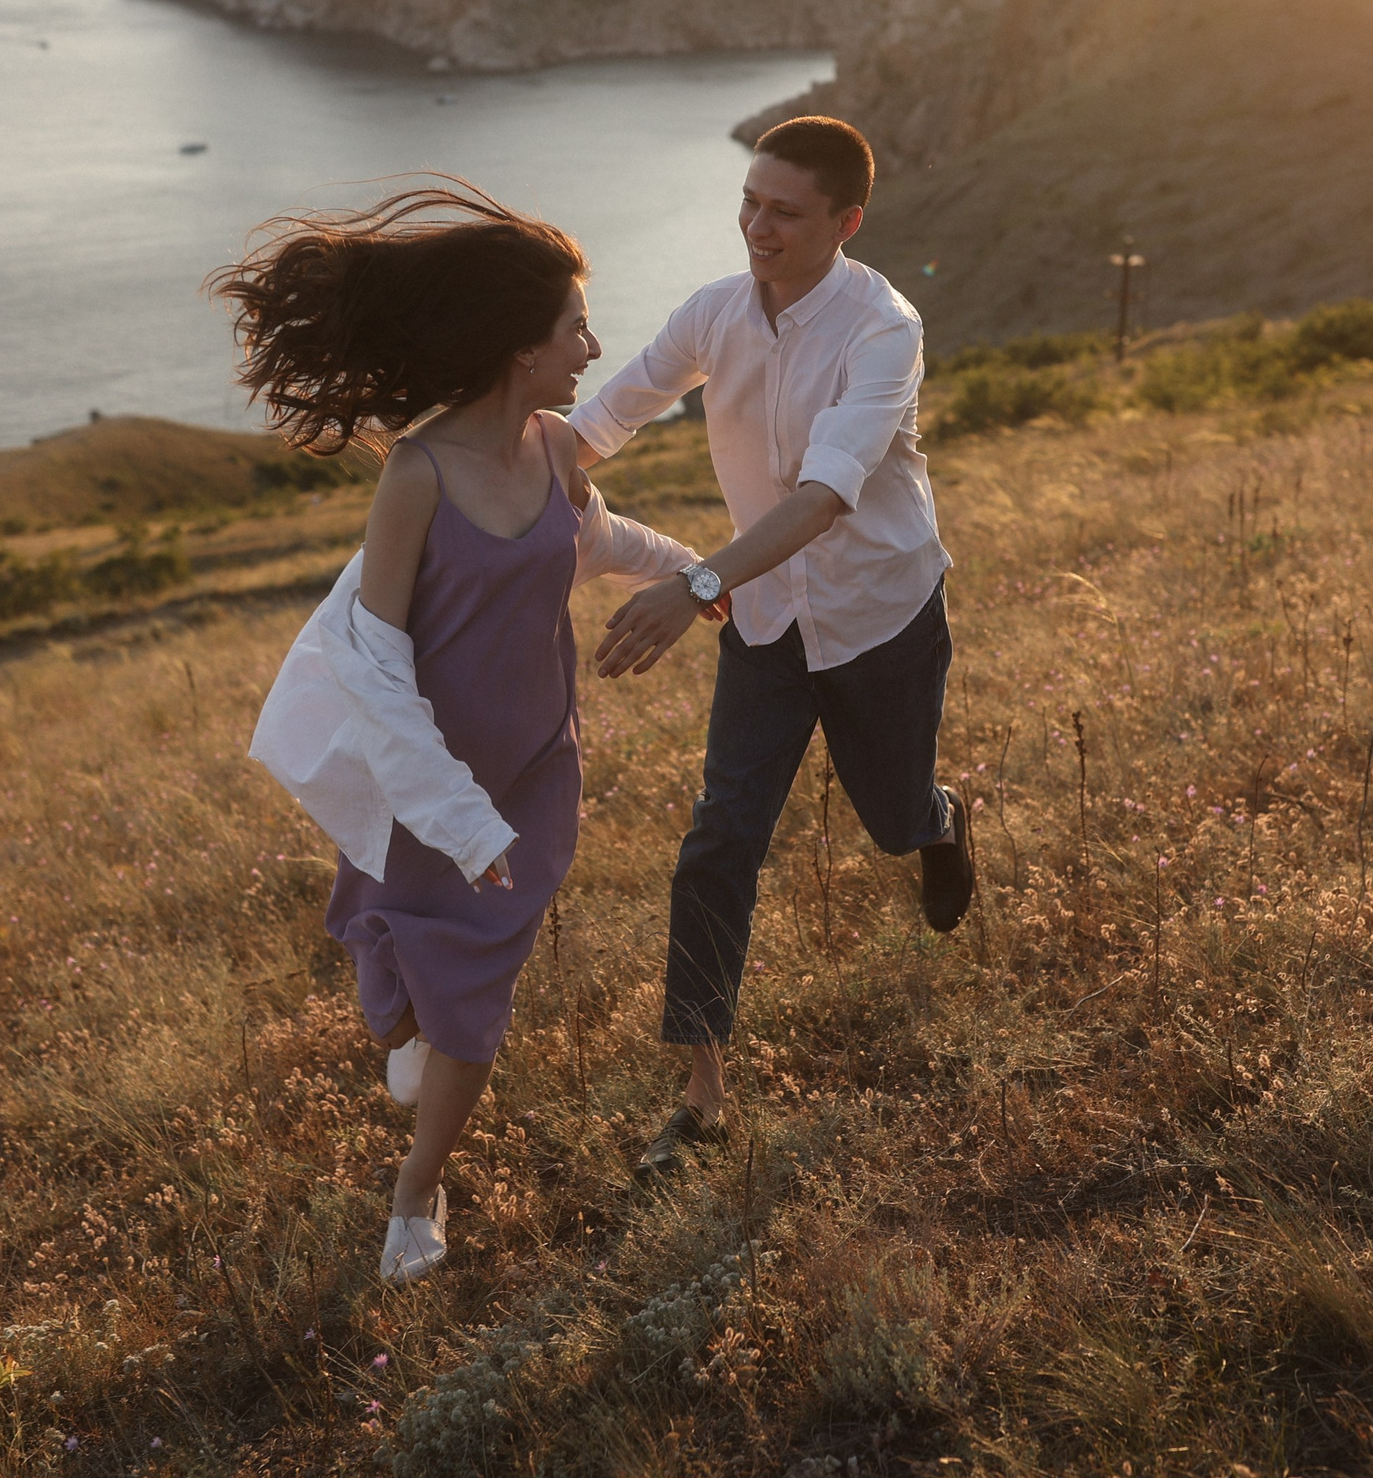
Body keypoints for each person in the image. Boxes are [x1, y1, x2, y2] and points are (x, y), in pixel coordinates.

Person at [231, 185, 704, 1282]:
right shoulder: (417, 475)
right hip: (425, 786)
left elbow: (599, 541)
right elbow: (375, 668)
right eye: (572, 328)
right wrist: (448, 812)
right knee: (400, 996)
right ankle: (405, 1003)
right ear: (515, 344)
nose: (589, 346)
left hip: (534, 773)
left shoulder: (552, 449)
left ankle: (413, 1196)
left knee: (476, 999)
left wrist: (703, 577)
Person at [570, 116, 974, 1185]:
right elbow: (603, 419)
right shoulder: (714, 311)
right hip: (763, 628)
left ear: (844, 223)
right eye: (748, 202)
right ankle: (702, 1095)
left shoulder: (882, 328)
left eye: (782, 212)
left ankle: (939, 819)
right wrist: (486, 463)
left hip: (878, 615)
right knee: (718, 841)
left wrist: (695, 582)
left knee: (890, 820)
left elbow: (825, 497)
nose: (755, 226)